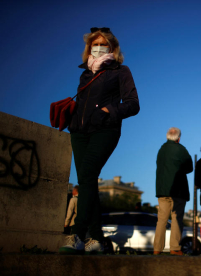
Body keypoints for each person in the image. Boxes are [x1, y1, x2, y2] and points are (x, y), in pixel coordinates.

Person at [59, 27, 140, 255]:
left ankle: (76, 234)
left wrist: (108, 110)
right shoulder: (85, 73)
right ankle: (95, 239)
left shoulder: (121, 71)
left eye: (103, 44)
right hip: (79, 132)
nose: (98, 47)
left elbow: (133, 104)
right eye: (94, 44)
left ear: (112, 48)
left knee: (87, 176)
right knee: (87, 180)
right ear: (89, 48)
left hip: (105, 130)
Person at [153, 127, 193, 255]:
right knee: (176, 218)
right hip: (178, 189)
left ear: (167, 136)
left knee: (162, 220)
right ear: (179, 138)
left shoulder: (161, 150)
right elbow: (190, 167)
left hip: (162, 189)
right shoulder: (181, 149)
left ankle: (157, 249)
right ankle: (175, 247)